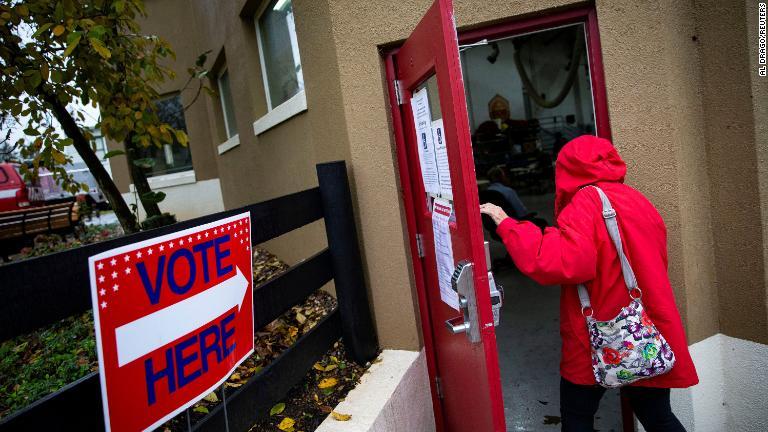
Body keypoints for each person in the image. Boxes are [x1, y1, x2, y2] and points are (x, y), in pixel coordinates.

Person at [480, 135, 698, 432]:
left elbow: (563, 262)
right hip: (644, 330)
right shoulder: (636, 199)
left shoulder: (586, 202)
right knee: (658, 417)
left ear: (569, 169)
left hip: (599, 331)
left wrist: (507, 224)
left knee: (577, 418)